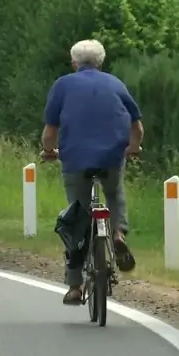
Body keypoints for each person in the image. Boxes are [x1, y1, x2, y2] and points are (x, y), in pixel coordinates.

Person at [39, 39, 144, 305]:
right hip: (111, 155)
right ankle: (118, 233)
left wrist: (49, 151)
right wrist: (133, 147)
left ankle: (74, 288)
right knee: (114, 192)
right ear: (101, 61)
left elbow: (50, 132)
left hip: (75, 158)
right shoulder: (115, 83)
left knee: (77, 216)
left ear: (74, 63)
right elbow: (137, 127)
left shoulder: (62, 85)